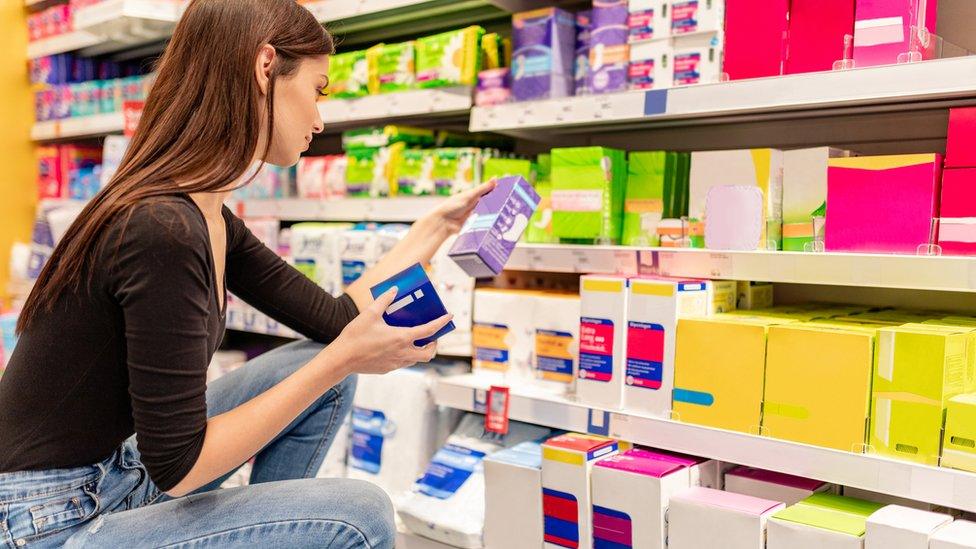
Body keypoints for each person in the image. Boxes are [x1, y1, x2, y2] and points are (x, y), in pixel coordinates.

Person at [0, 1, 493, 547]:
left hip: (112, 474)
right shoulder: (163, 228)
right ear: (265, 67)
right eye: (318, 88)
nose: (320, 117)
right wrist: (343, 357)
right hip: (44, 521)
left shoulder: (204, 213)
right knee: (361, 514)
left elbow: (334, 318)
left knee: (316, 368)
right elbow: (181, 467)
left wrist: (433, 228)